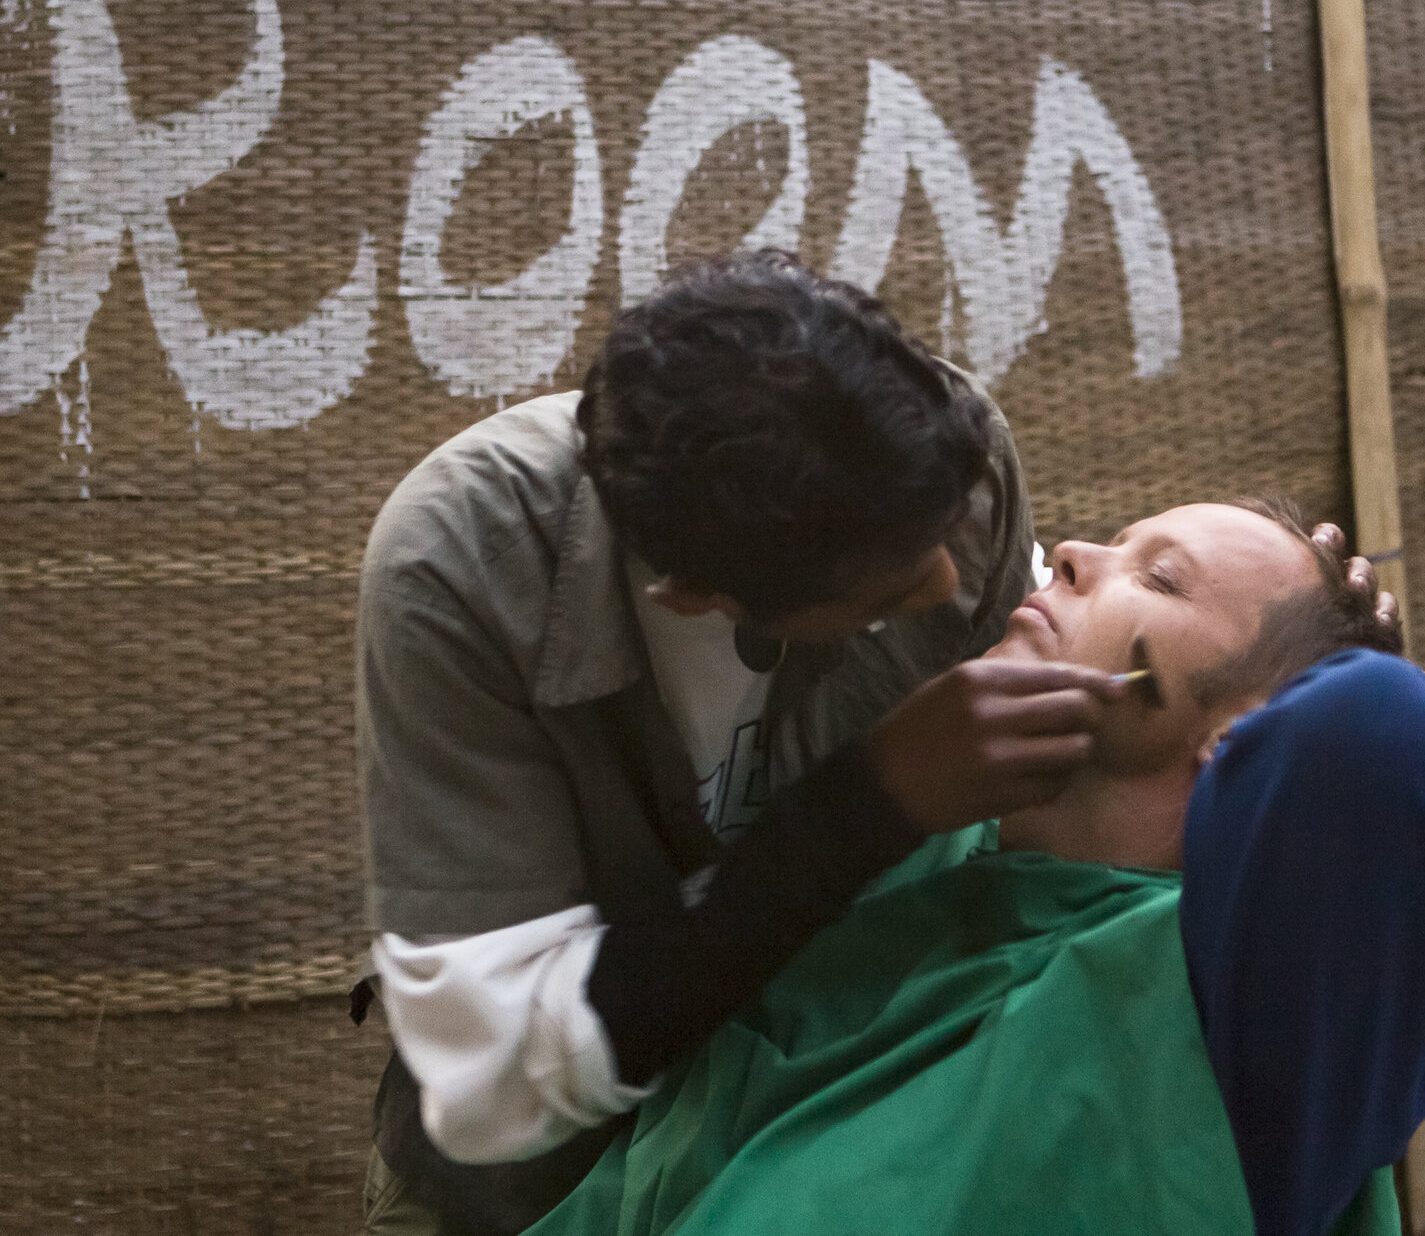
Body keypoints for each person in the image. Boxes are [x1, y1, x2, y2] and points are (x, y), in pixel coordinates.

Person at [359, 252, 1125, 1233]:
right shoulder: (463, 565)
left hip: (834, 1140)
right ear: (698, 597)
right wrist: (868, 803)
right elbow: (496, 1084)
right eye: (890, 596)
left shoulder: (946, 459)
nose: (948, 583)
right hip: (546, 1191)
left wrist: (1319, 665)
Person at [516, 494, 1425, 1236]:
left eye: (1159, 579)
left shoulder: (1226, 1017)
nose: (1072, 552)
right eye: (1115, 542)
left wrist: (1349, 677)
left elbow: (1380, 740)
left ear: (1250, 738)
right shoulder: (922, 837)